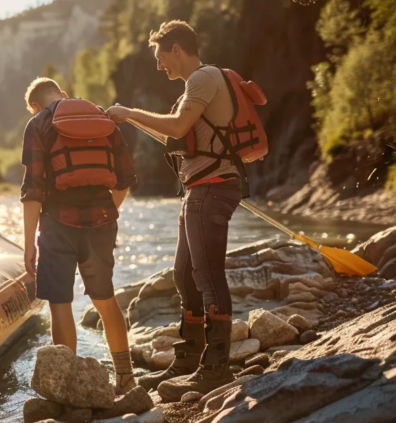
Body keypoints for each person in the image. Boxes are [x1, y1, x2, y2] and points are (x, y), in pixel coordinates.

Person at [103, 20, 248, 401]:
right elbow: (177, 135)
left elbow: (180, 123)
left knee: (208, 275)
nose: (159, 65)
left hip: (212, 188)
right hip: (199, 190)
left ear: (177, 50)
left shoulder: (202, 79)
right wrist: (131, 117)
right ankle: (189, 359)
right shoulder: (195, 85)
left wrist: (130, 111)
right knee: (185, 275)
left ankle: (216, 368)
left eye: (161, 56)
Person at [20, 77, 139, 394]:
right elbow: (124, 180)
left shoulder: (38, 124)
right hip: (101, 221)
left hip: (57, 224)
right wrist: (105, 211)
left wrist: (29, 244)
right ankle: (126, 378)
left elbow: (32, 191)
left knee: (60, 304)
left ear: (34, 106)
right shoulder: (102, 119)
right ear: (63, 95)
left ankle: (67, 384)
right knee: (106, 301)